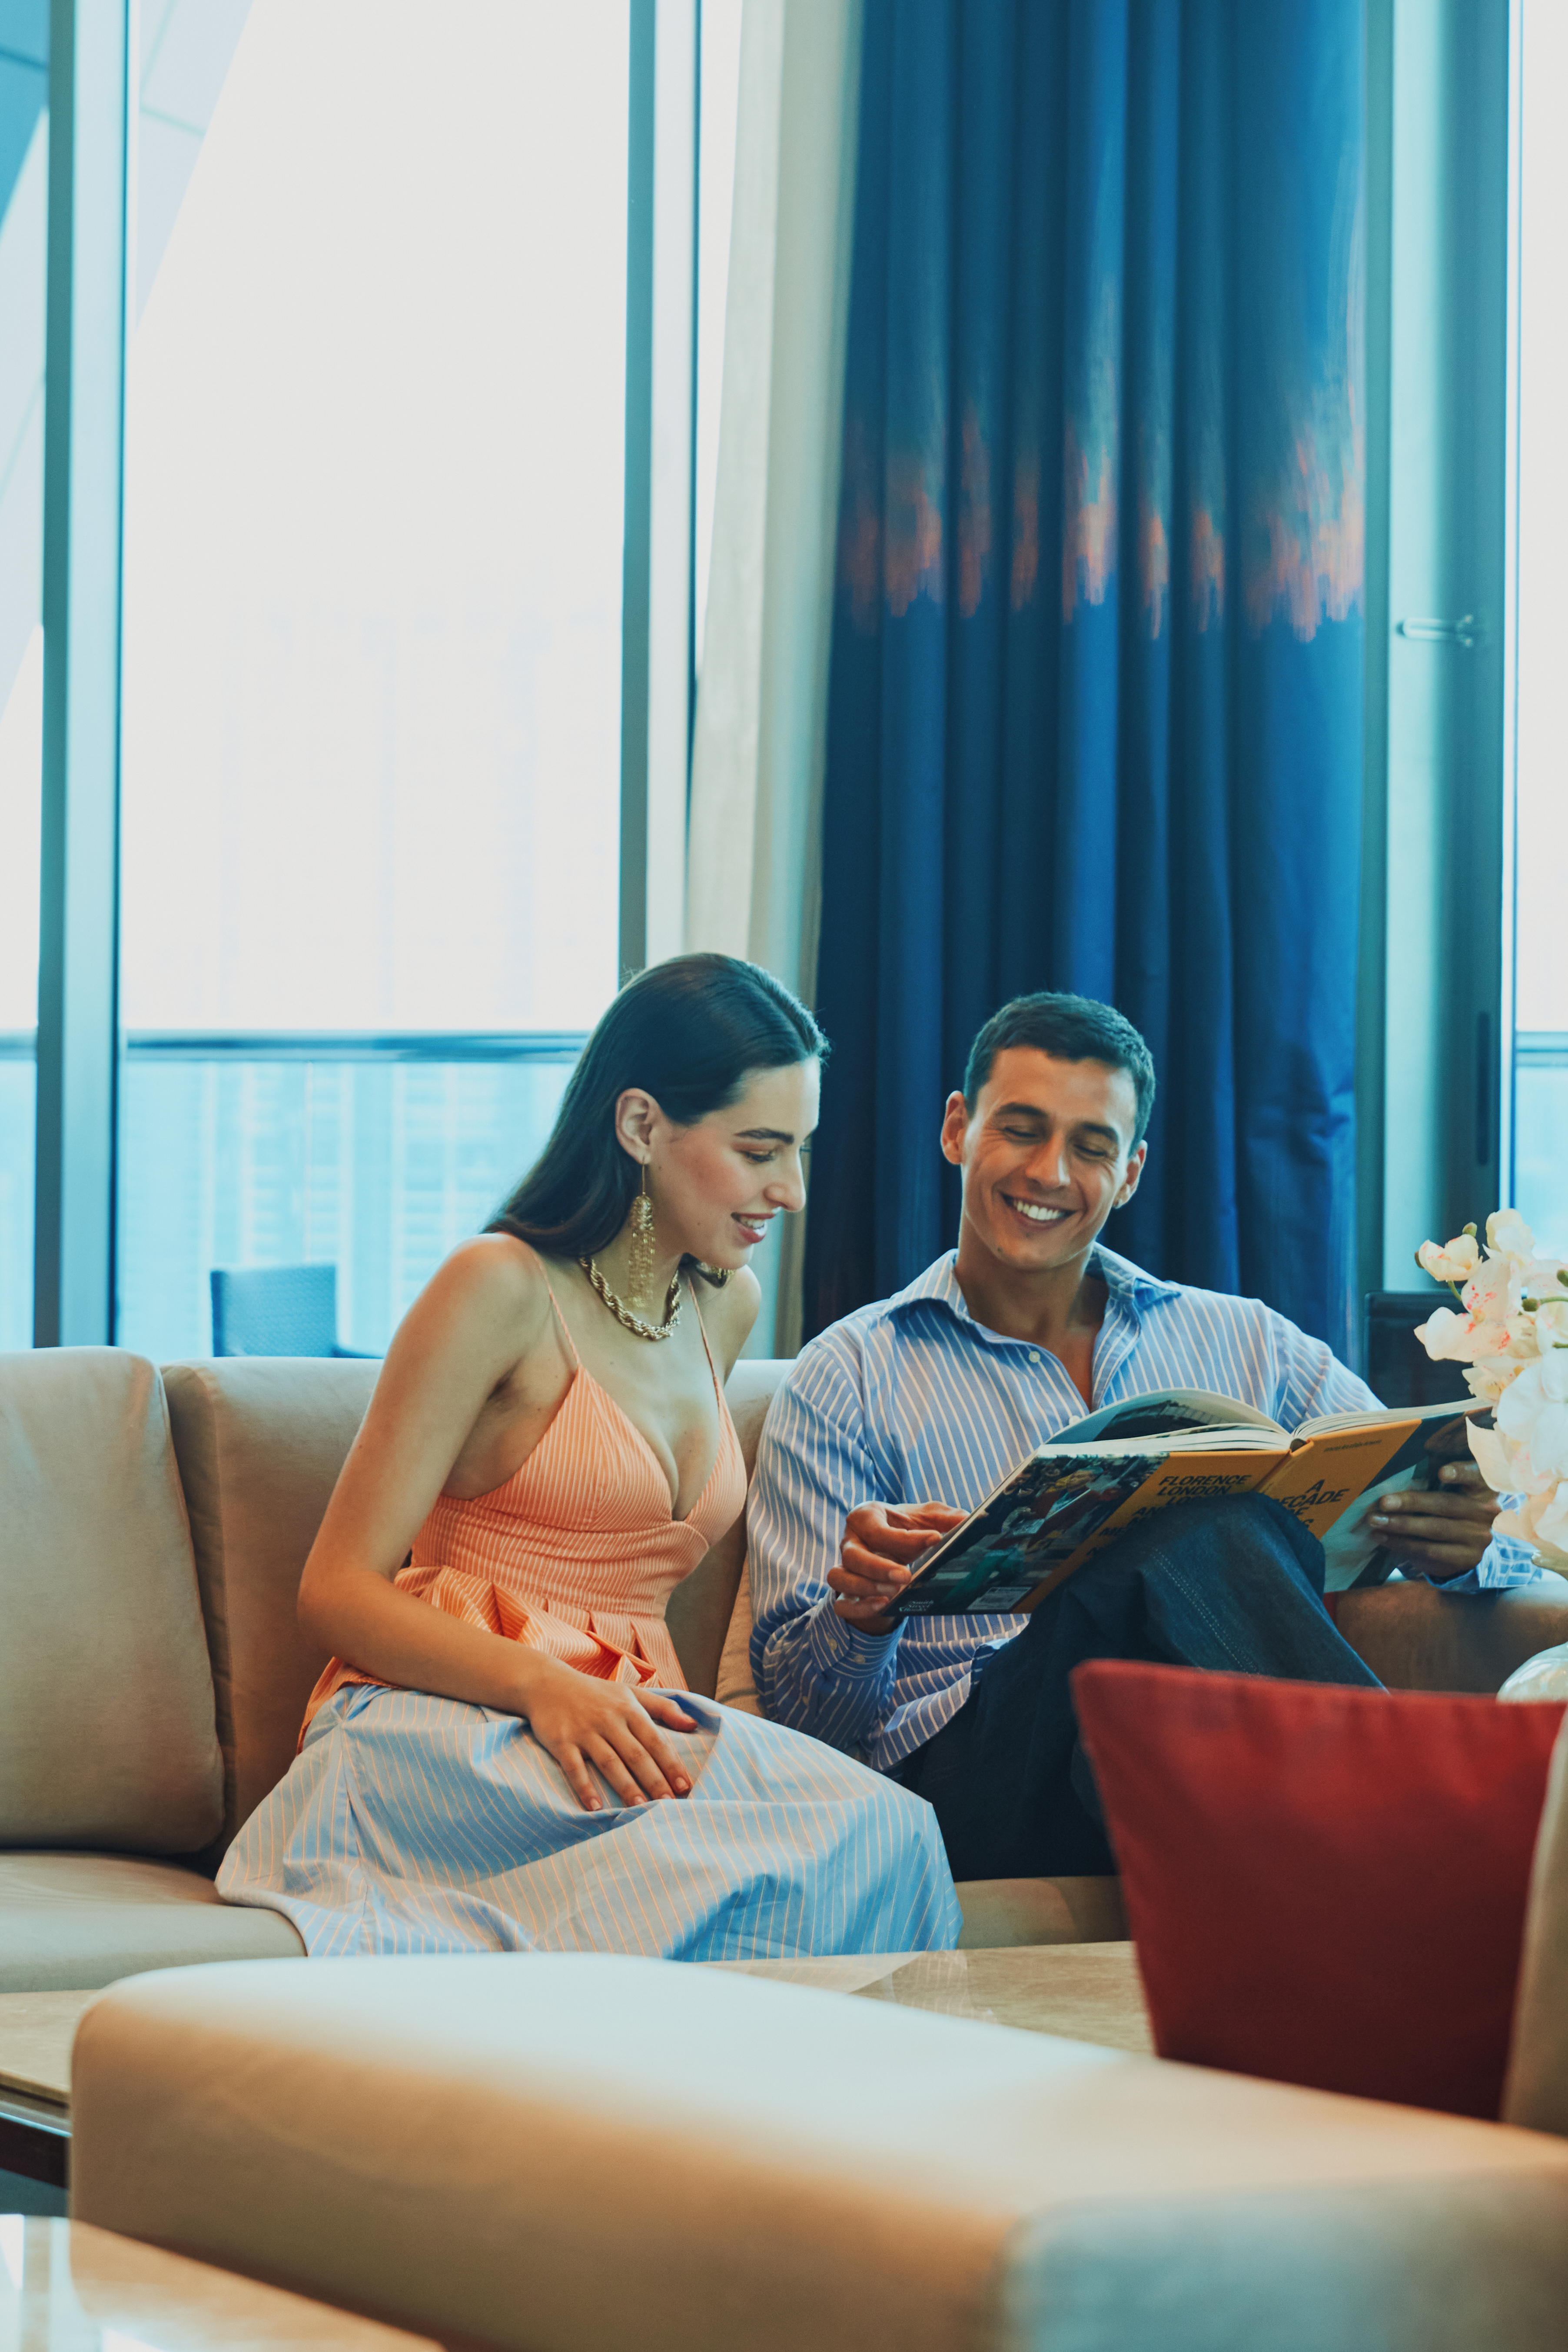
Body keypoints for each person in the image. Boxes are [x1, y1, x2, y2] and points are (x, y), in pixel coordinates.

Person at [218, 954, 960, 1961]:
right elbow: (337, 1589)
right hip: (445, 1725)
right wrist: (541, 1685)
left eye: (800, 1150)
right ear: (642, 1126)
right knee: (687, 1888)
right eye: (758, 1150)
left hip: (622, 1728)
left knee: (890, 1832)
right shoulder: (498, 1287)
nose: (789, 1190)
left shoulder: (721, 1305)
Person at [747, 991, 1539, 1883]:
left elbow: (1465, 1506)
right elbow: (797, 1723)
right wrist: (864, 1616)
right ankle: (1433, 1850)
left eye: (1091, 1148)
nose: (1049, 1173)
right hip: (966, 1781)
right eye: (1021, 1130)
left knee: (1178, 1682)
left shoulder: (1249, 1341)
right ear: (957, 1129)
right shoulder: (847, 1374)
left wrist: (1468, 1543)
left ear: (1129, 1173)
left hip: (1153, 1747)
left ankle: (1370, 1890)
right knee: (1178, 1534)